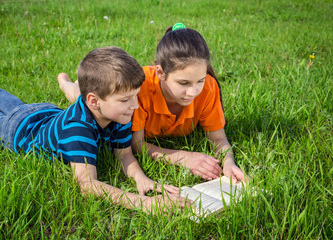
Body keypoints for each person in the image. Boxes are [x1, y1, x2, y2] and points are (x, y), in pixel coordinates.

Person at [0, 47, 188, 212]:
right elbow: (87, 185)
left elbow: (124, 154)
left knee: (18, 106)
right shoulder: (79, 129)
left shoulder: (120, 113)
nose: (135, 106)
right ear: (94, 101)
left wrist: (141, 179)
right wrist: (142, 203)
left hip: (44, 112)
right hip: (18, 131)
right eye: (126, 99)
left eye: (135, 97)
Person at [58, 24, 247, 183]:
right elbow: (137, 145)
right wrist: (183, 157)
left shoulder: (208, 88)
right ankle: (66, 83)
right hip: (103, 100)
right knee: (82, 98)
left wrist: (229, 162)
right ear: (160, 73)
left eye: (200, 80)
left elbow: (219, 139)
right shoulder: (139, 90)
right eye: (183, 83)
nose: (194, 91)